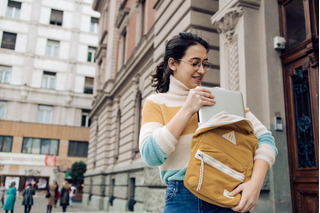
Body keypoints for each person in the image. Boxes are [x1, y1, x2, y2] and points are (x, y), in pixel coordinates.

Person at [139, 32, 278, 213]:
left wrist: (255, 184)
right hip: (182, 198)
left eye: (205, 64)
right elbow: (151, 155)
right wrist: (188, 109)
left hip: (227, 196)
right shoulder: (156, 103)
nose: (202, 70)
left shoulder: (219, 97)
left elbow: (266, 140)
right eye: (195, 63)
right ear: (173, 63)